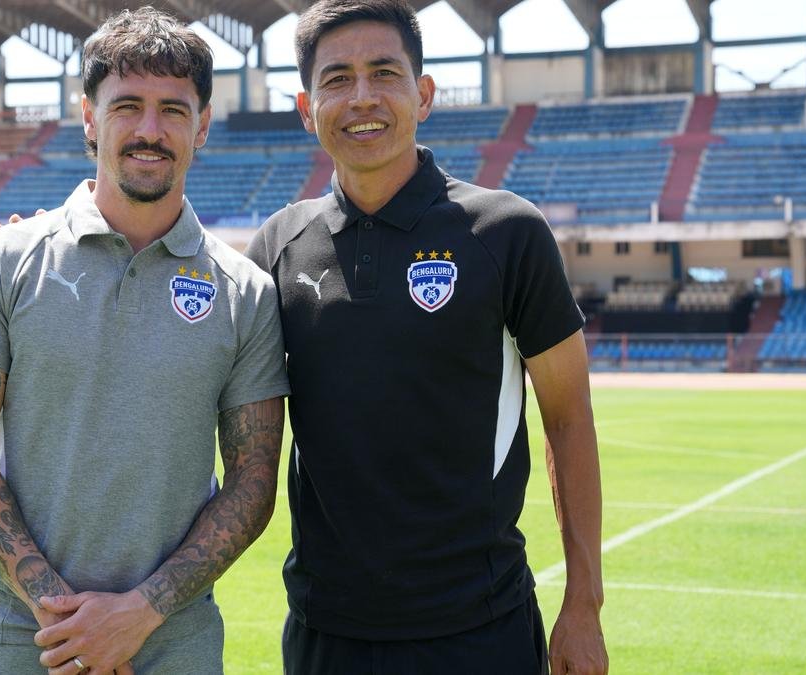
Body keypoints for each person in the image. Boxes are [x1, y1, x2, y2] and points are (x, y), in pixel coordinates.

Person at [243, 1, 608, 673]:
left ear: (425, 94)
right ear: (306, 108)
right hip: (327, 632)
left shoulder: (507, 231)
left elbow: (567, 416)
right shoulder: (278, 245)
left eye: (385, 72)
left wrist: (583, 604)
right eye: (337, 79)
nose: (362, 97)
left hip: (480, 627)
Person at [0, 8, 289, 674]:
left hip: (171, 645)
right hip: (14, 637)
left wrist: (141, 611)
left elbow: (253, 481)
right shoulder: (1, 261)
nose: (150, 130)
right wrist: (62, 613)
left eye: (173, 110)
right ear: (89, 118)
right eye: (127, 106)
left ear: (203, 125)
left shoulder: (246, 292)